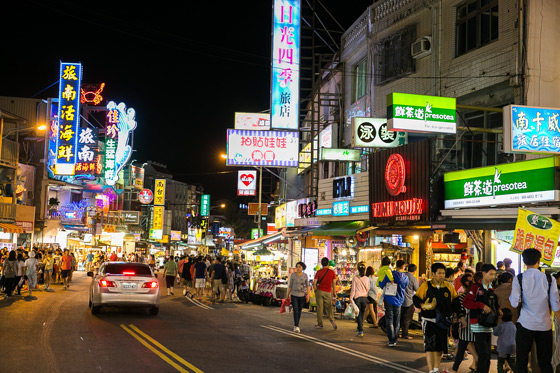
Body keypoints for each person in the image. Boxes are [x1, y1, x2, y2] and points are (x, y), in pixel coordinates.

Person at [509, 248, 560, 373]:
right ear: (539, 260)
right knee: (545, 362)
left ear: (524, 261)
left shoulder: (519, 278)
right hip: (545, 325)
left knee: (521, 361)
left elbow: (514, 303)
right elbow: (555, 304)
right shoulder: (549, 279)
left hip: (525, 324)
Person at [413, 262, 464, 373]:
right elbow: (416, 299)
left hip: (443, 322)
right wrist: (422, 305)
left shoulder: (448, 287)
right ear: (433, 274)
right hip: (429, 321)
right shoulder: (426, 285)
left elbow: (456, 303)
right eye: (439, 273)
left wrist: (461, 316)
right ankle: (431, 370)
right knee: (430, 346)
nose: (441, 275)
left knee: (440, 347)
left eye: (443, 273)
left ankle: (436, 369)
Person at [463, 263, 499, 373]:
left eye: (494, 274)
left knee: (487, 354)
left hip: (489, 324)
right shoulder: (475, 287)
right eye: (491, 274)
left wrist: (498, 310)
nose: (493, 277)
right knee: (483, 353)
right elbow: (466, 303)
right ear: (483, 273)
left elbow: (494, 303)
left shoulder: (492, 288)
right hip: (477, 323)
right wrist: (481, 305)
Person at [452, 273, 478, 372]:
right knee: (470, 343)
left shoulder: (463, 296)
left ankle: (456, 368)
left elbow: (460, 310)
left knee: (464, 345)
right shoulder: (476, 293)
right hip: (475, 322)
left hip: (466, 323)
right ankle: (475, 363)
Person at [379, 259, 409, 347]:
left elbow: (381, 284)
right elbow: (405, 286)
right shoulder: (405, 277)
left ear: (396, 265)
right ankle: (395, 338)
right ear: (403, 267)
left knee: (389, 320)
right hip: (399, 300)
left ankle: (391, 340)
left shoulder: (390, 274)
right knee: (397, 320)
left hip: (389, 299)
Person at [312, 257, 337, 330]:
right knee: (329, 307)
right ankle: (332, 319)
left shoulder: (318, 272)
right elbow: (334, 283)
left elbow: (314, 283)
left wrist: (315, 290)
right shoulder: (332, 272)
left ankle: (320, 324)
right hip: (328, 292)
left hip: (320, 291)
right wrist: (334, 292)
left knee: (320, 308)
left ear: (322, 264)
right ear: (328, 263)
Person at [286, 261, 310, 333]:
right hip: (294, 295)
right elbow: (290, 286)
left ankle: (297, 324)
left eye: (299, 267)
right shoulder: (293, 275)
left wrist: (308, 295)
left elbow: (308, 286)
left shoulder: (305, 275)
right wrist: (287, 296)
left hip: (302, 295)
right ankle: (296, 325)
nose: (298, 268)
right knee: (295, 310)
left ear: (302, 268)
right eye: (297, 267)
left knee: (299, 310)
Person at [493, 308, 516, 373]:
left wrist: (495, 325)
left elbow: (495, 333)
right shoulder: (514, 326)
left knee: (500, 362)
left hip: (502, 348)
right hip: (512, 348)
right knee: (512, 363)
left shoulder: (501, 326)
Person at [350, 262, 370, 337]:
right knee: (361, 313)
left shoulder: (355, 278)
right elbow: (368, 288)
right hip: (364, 297)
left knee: (358, 314)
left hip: (357, 298)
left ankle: (361, 330)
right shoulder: (367, 278)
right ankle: (359, 328)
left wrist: (351, 298)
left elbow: (353, 289)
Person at [400, 263, 419, 340]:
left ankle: (397, 332)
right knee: (407, 319)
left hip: (400, 299)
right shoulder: (413, 278)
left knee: (400, 317)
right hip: (409, 301)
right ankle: (405, 334)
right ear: (414, 271)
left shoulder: (401, 275)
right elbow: (417, 289)